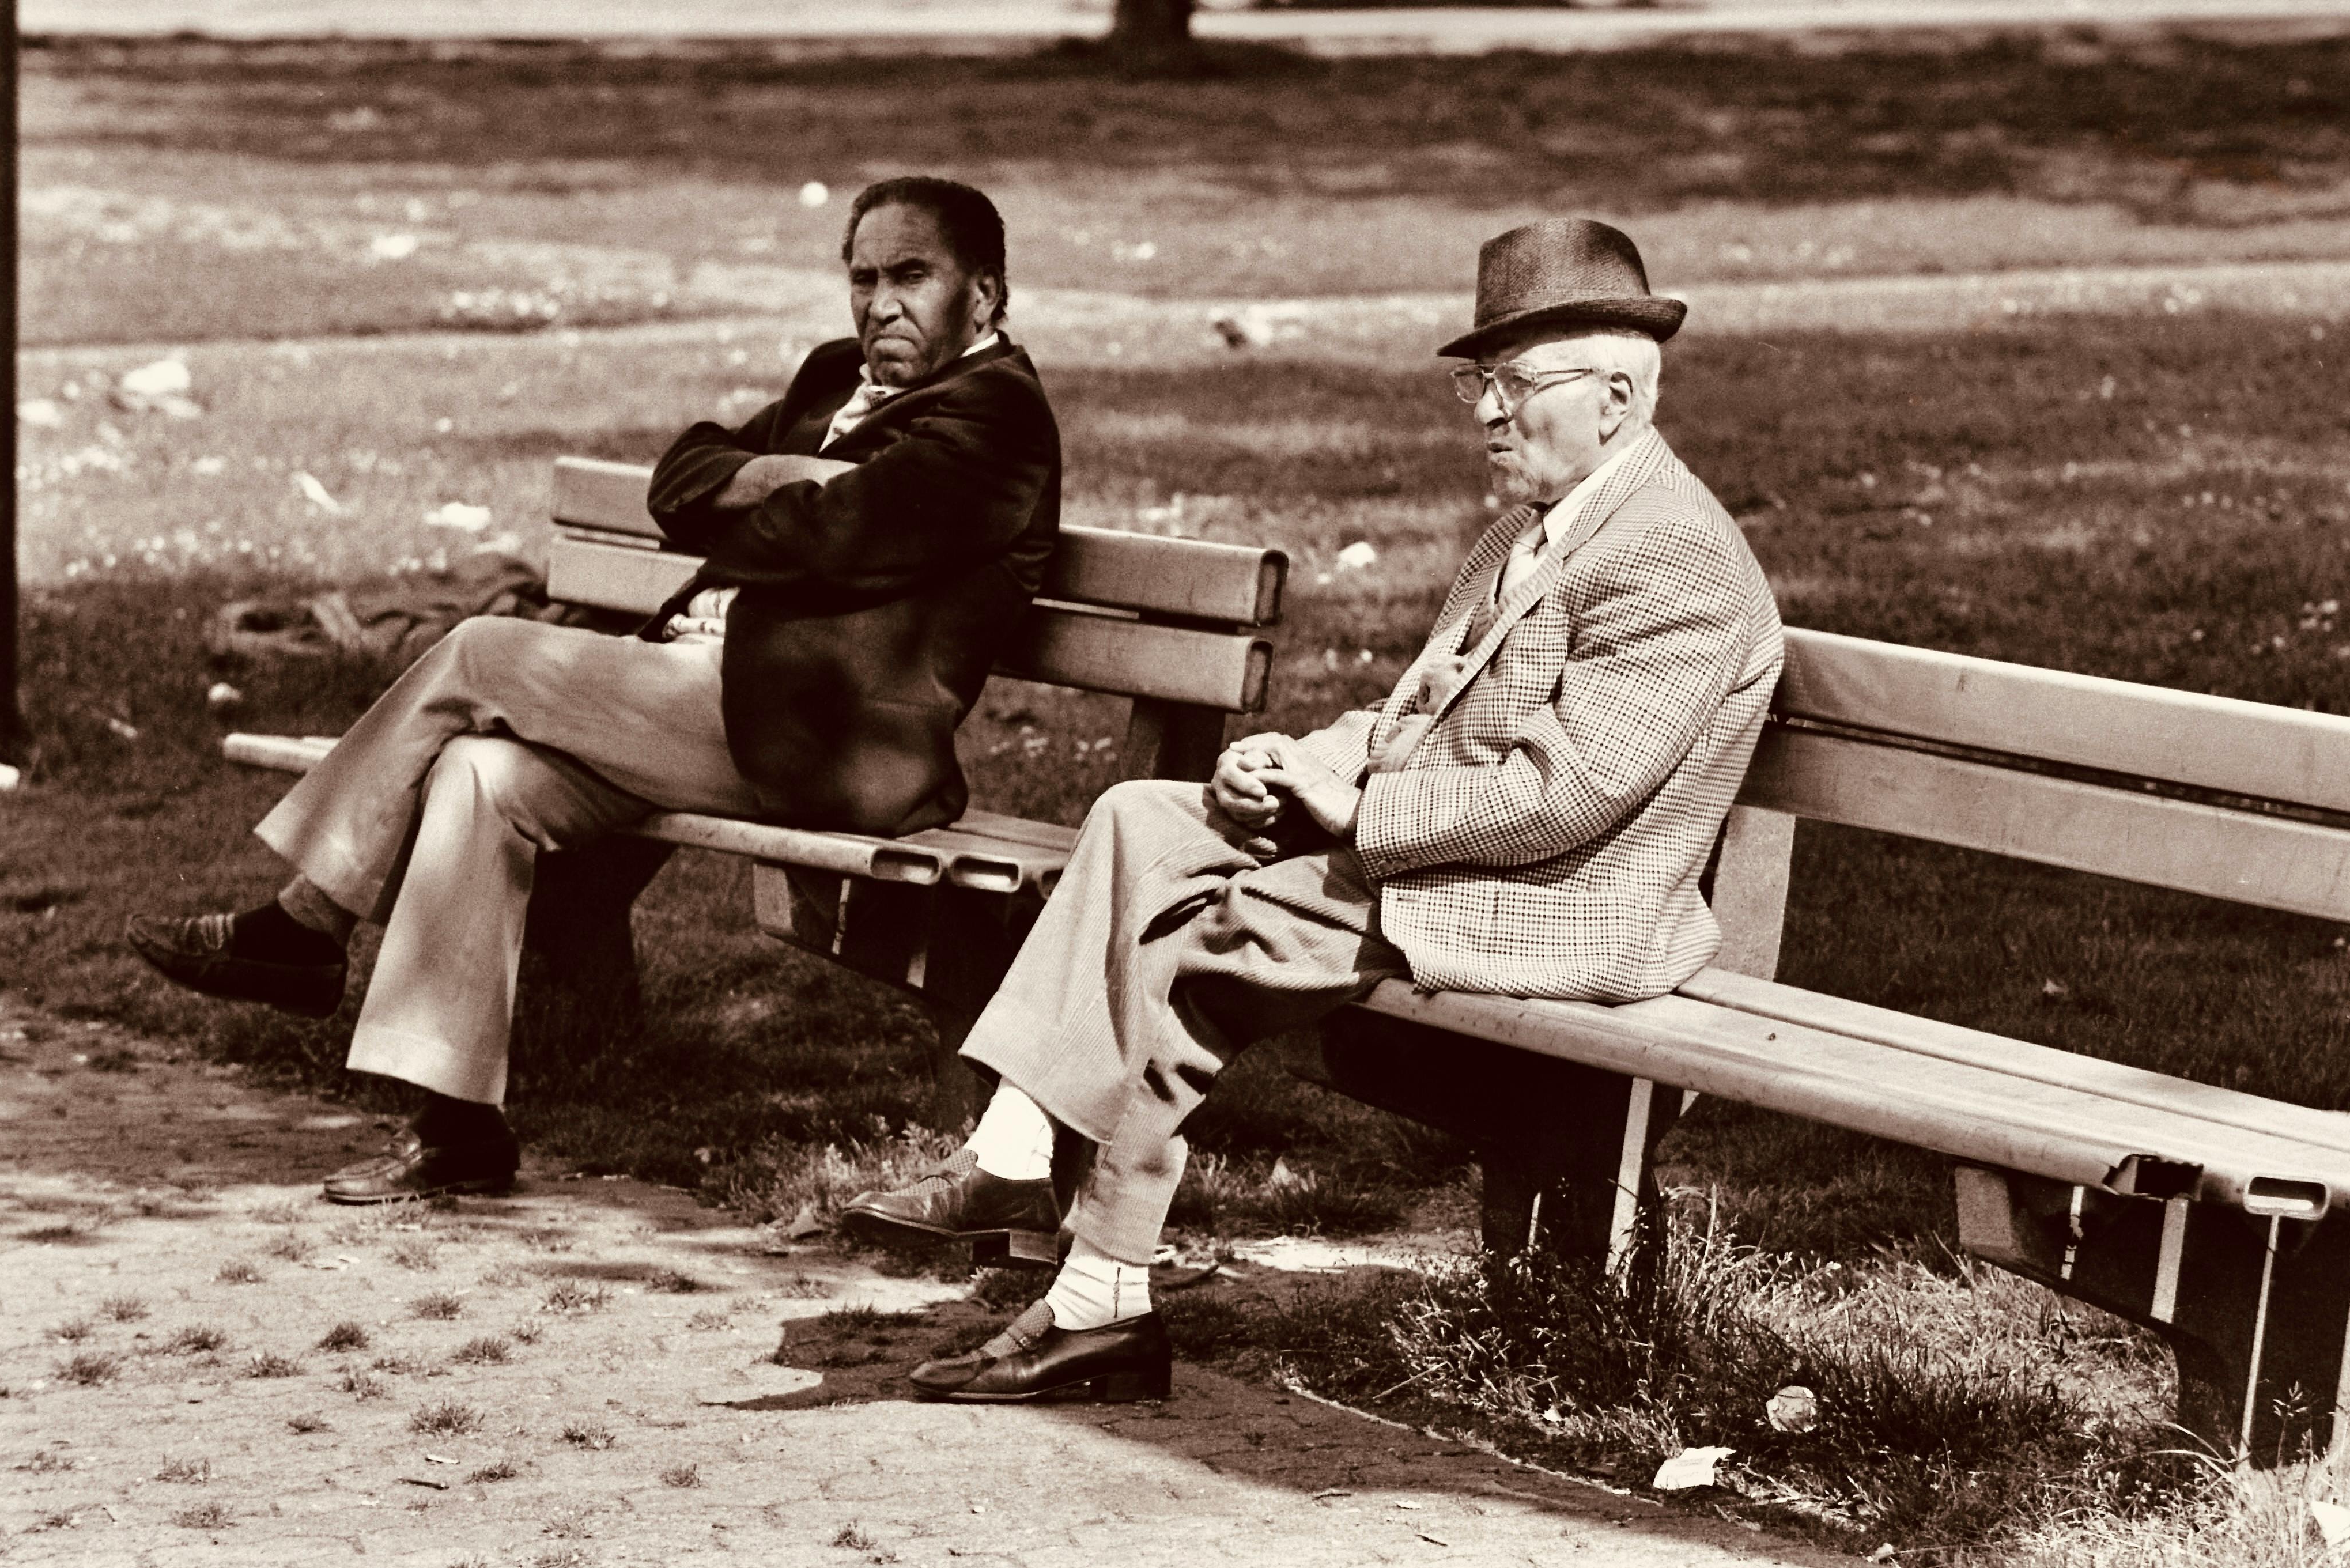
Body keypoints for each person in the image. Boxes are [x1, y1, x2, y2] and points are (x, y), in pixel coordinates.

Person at [841, 217, 1785, 1405]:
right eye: (1475, 383)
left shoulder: (1671, 560)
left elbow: (1571, 795)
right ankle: (1014, 1152)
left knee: (1218, 928)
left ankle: (1096, 1301)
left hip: (1570, 902)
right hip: (1455, 853)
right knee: (1141, 814)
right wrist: (1297, 762)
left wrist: (1356, 809)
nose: (1485, 413)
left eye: (1513, 384)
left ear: (1617, 393)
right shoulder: (1531, 527)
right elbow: (1417, 717)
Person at [127, 176, 1063, 1205]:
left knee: (481, 650)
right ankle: (456, 1128)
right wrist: (768, 479)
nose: (880, 303)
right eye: (863, 277)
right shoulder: (836, 378)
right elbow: (681, 478)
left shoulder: (997, 420)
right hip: (702, 706)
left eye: (912, 276)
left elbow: (828, 546)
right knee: (483, 774)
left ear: (983, 295)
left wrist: (776, 497)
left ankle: (308, 923)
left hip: (820, 743)